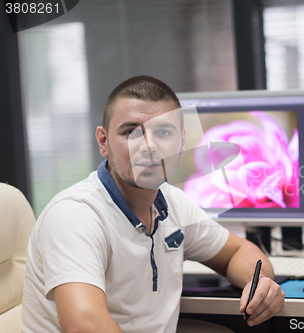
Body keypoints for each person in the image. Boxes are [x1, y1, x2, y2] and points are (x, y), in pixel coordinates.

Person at [21, 75, 285, 332]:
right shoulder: (75, 214)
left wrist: (260, 282)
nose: (149, 146)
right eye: (131, 132)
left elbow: (238, 252)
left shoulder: (172, 202)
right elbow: (83, 325)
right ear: (104, 142)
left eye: (163, 131)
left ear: (181, 142)